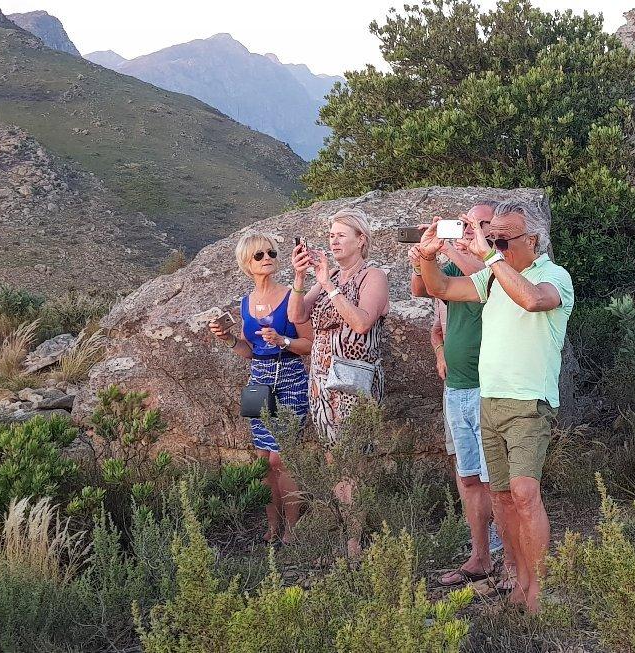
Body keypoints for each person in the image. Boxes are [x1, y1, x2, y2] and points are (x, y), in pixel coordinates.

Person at [416, 198, 574, 613]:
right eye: (493, 238)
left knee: (525, 492)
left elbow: (533, 300)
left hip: (529, 402)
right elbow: (441, 289)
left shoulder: (554, 276)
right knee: (501, 495)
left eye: (504, 239)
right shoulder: (493, 276)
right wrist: (427, 257)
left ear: (533, 238)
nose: (497, 245)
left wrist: (487, 255)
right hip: (490, 399)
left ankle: (538, 588)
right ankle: (519, 580)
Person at [409, 202, 513, 590]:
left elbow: (486, 283)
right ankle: (480, 555)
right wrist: (423, 255)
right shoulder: (457, 260)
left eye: (481, 224)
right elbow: (423, 288)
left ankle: (508, 560)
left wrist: (457, 248)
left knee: (495, 479)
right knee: (469, 476)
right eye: (468, 223)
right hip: (457, 388)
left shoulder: (502, 264)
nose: (473, 229)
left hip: (489, 386)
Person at [289, 207, 390, 557]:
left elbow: (361, 323)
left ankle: (355, 542)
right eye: (330, 234)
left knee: (352, 459)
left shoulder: (371, 276)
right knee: (335, 458)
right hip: (321, 379)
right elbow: (297, 315)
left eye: (340, 234)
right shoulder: (327, 275)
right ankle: (349, 530)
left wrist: (330, 286)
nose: (333, 240)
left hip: (353, 381)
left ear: (361, 240)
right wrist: (302, 278)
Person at [208, 233, 311, 546]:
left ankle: (292, 529)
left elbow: (310, 344)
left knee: (284, 458)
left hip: (290, 377)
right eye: (259, 255)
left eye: (271, 252)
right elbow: (249, 350)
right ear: (246, 264)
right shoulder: (245, 303)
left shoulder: (292, 296)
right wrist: (227, 338)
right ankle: (272, 525)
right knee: (263, 458)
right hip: (258, 380)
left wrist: (283, 341)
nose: (267, 258)